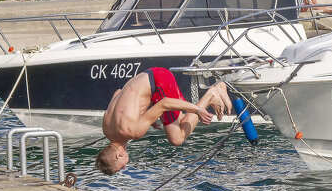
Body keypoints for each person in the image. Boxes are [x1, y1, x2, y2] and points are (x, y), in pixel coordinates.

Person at [95, 69, 232, 175]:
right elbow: (118, 93)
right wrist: (143, 115)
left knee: (176, 138)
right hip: (148, 76)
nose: (125, 167)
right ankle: (218, 89)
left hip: (159, 81)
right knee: (180, 124)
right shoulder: (107, 129)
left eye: (121, 167)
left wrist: (198, 110)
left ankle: (211, 94)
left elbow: (164, 103)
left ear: (119, 155)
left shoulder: (133, 131)